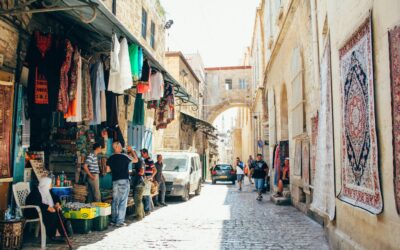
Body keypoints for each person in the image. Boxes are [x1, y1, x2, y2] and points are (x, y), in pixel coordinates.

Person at [106, 141, 132, 226]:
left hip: (115, 181)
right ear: (117, 147)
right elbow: (135, 160)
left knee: (115, 201)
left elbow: (107, 170)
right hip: (124, 181)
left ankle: (113, 220)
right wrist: (132, 151)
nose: (121, 148)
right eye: (120, 146)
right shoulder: (125, 157)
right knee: (123, 201)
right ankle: (119, 221)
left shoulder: (110, 158)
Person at [128, 149, 145, 221]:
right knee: (138, 200)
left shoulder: (139, 161)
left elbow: (142, 172)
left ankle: (139, 216)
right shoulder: (134, 163)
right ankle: (142, 214)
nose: (129, 157)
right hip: (136, 183)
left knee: (137, 200)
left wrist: (133, 173)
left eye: (129, 155)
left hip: (139, 183)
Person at [140, 148, 157, 215]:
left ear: (145, 153)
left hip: (147, 179)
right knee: (145, 194)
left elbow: (155, 170)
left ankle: (147, 210)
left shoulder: (150, 160)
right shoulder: (144, 160)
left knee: (146, 195)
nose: (141, 155)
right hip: (144, 179)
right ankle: (147, 209)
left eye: (142, 153)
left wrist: (151, 177)